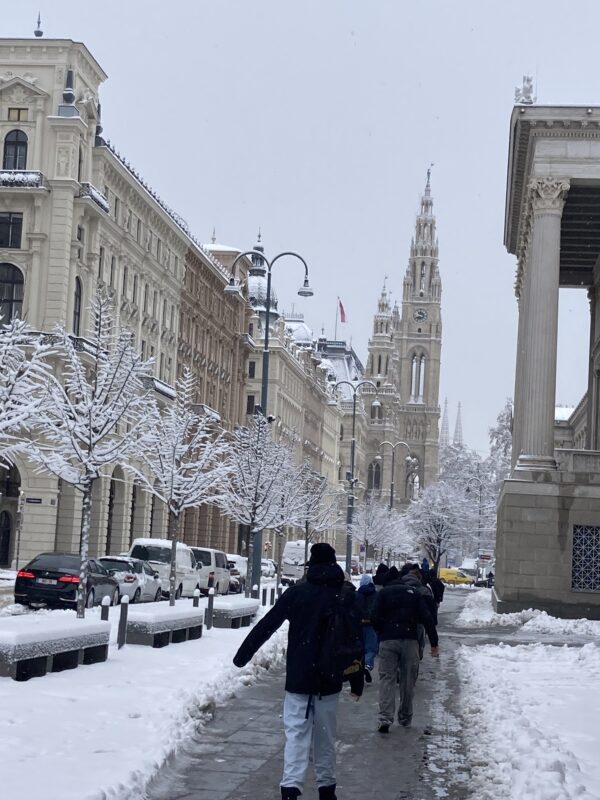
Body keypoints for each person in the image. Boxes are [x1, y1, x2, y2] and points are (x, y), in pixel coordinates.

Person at [232, 542, 364, 800]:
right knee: (326, 739)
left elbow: (267, 625)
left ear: (311, 565)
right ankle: (327, 791)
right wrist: (356, 680)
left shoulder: (297, 593)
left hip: (299, 679)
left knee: (296, 738)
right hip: (330, 679)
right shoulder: (346, 595)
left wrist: (243, 656)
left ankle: (291, 791)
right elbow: (354, 640)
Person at [371, 566, 439, 733]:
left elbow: (374, 616)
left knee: (387, 678)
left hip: (388, 640)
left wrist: (383, 630)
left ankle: (385, 717)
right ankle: (405, 717)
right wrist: (434, 643)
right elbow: (427, 618)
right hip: (410, 640)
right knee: (408, 681)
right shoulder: (414, 594)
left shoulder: (383, 593)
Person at [355, 573, 378, 682]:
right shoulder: (376, 595)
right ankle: (367, 665)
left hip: (359, 625)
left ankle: (359, 667)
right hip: (371, 624)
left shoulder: (356, 595)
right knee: (371, 648)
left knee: (360, 648)